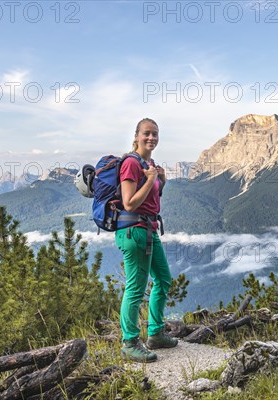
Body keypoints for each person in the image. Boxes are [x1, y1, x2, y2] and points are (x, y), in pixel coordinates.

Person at [116, 118, 178, 363]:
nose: (151, 138)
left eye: (155, 134)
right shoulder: (131, 163)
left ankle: (155, 333)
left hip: (150, 228)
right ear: (137, 135)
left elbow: (151, 199)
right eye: (147, 134)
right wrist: (152, 179)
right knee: (135, 288)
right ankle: (129, 342)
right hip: (134, 231)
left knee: (163, 279)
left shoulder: (149, 164)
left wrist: (160, 181)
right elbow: (129, 202)